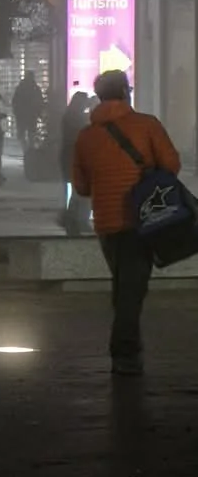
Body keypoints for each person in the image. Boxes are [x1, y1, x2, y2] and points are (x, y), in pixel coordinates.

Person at [71, 69, 182, 375]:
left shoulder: (86, 136)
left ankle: (126, 348)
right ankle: (125, 353)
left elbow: (81, 187)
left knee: (125, 285)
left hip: (107, 223)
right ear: (124, 91)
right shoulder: (146, 125)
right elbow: (171, 164)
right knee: (132, 289)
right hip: (142, 219)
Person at [59, 90, 92, 236]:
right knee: (81, 191)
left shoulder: (70, 115)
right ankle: (76, 219)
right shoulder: (76, 118)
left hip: (69, 157)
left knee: (78, 191)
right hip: (75, 158)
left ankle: (71, 218)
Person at [11, 71, 46, 153]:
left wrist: (16, 112)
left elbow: (15, 101)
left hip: (22, 115)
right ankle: (30, 150)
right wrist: (39, 113)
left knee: (23, 134)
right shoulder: (35, 88)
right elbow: (40, 102)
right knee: (31, 134)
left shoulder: (20, 87)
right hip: (31, 115)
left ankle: (26, 150)